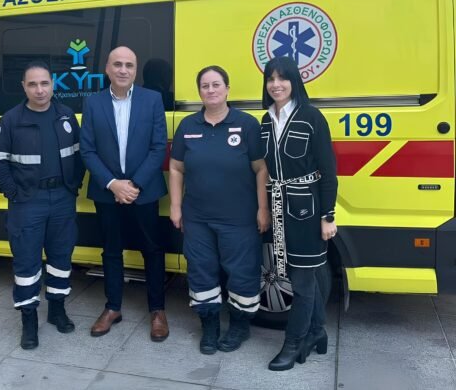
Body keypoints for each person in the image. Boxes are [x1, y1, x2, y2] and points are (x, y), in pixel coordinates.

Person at [169, 65, 270, 355]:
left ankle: (239, 326)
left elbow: (261, 169)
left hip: (239, 218)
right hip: (197, 218)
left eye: (216, 84)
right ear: (199, 92)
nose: (211, 90)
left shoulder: (247, 124)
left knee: (242, 273)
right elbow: (176, 168)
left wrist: (263, 208)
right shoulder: (188, 126)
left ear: (227, 89)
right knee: (201, 272)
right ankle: (209, 327)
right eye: (205, 86)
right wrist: (176, 207)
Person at [0, 61, 84, 350]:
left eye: (44, 83)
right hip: (28, 201)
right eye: (33, 84)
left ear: (53, 84)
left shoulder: (66, 116)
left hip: (62, 198)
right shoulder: (10, 120)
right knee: (27, 263)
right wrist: (13, 193)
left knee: (61, 258)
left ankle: (57, 310)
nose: (39, 90)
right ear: (24, 87)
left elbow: (80, 154)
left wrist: (73, 185)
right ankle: (29, 321)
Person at [80, 46, 169, 341]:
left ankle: (157, 310)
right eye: (117, 64)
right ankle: (112, 307)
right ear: (107, 69)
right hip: (107, 192)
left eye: (129, 65)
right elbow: (87, 150)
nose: (123, 70)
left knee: (152, 250)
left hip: (144, 191)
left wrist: (134, 185)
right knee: (111, 251)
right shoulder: (93, 102)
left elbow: (158, 147)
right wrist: (113, 184)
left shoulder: (152, 100)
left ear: (135, 70)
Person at [260, 56, 338, 371]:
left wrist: (328, 216)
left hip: (307, 211)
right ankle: (317, 332)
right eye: (271, 79)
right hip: (279, 210)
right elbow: (265, 168)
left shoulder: (311, 117)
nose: (276, 84)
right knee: (302, 277)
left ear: (294, 81)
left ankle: (293, 343)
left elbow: (328, 172)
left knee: (303, 282)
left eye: (283, 78)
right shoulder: (266, 120)